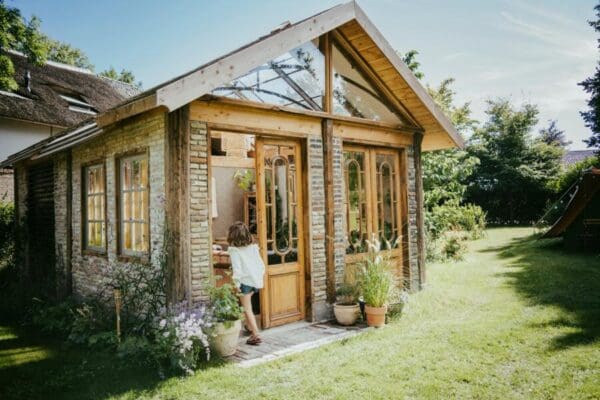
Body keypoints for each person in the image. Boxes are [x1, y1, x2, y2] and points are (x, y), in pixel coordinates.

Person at [227, 221, 265, 345]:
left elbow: (237, 271)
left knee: (247, 309)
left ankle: (256, 334)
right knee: (248, 307)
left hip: (244, 283)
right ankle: (249, 327)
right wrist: (259, 278)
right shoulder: (253, 247)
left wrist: (236, 285)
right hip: (255, 280)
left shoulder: (234, 251)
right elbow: (261, 265)